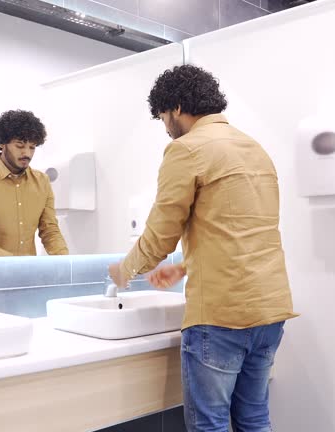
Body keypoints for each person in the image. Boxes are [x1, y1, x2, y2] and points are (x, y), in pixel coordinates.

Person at [108, 65, 298, 432]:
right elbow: (240, 229)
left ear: (177, 107)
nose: (165, 126)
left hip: (222, 315)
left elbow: (160, 235)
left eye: (163, 116)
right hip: (270, 309)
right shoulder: (254, 148)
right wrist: (182, 267)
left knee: (209, 425)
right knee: (255, 419)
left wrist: (124, 269)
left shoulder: (186, 150)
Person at [0, 110, 68, 257]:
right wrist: (12, 264)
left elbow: (50, 231)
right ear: (2, 143)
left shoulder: (42, 181)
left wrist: (67, 264)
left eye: (32, 147)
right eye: (20, 146)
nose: (27, 154)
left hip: (27, 276)